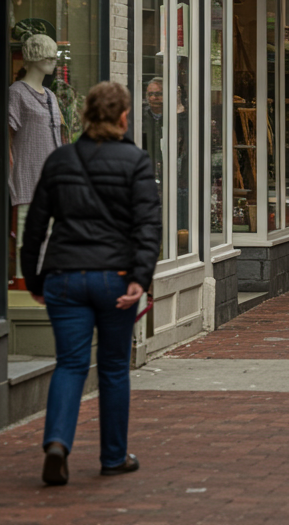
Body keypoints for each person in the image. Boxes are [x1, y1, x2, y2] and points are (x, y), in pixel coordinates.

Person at [22, 82, 160, 485]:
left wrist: (33, 277)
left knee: (70, 364)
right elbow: (148, 225)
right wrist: (140, 277)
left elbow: (34, 226)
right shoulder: (135, 160)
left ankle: (57, 443)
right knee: (115, 367)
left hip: (64, 277)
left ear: (84, 116)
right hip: (114, 279)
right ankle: (113, 457)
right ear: (123, 117)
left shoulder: (60, 160)